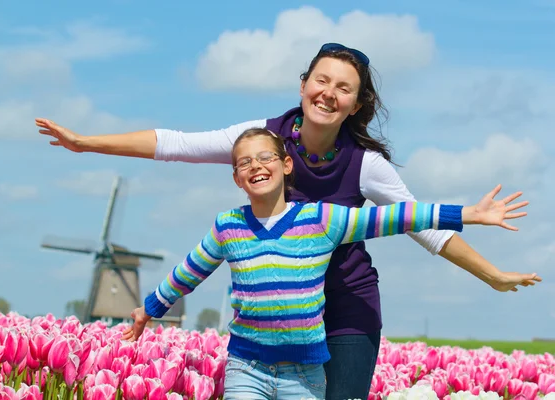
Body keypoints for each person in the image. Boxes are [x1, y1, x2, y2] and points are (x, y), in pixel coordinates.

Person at [36, 43, 541, 399]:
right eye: (321, 80)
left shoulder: (366, 164)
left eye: (344, 88)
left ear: (357, 103)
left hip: (344, 306)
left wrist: (491, 273)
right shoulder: (260, 141)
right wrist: (86, 142)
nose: (329, 93)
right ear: (304, 85)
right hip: (272, 317)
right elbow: (176, 144)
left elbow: (420, 223)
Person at [120, 128, 528, 400]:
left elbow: (396, 216)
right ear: (236, 178)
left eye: (266, 157)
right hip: (247, 367)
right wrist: (149, 309)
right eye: (244, 163)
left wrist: (469, 213)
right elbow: (189, 272)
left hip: (306, 375)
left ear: (286, 165)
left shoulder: (322, 219)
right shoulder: (228, 227)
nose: (256, 166)